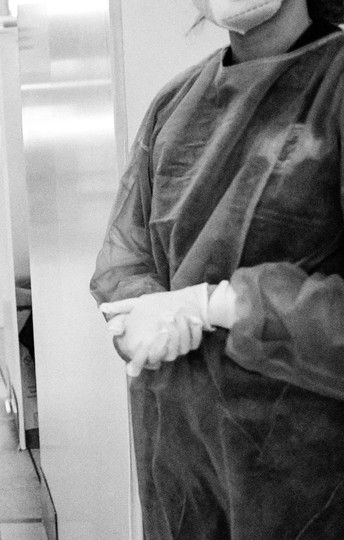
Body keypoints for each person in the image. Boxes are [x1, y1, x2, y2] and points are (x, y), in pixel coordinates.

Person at [90, 1, 344, 537]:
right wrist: (142, 309)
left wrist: (222, 305)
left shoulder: (335, 85)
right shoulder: (176, 102)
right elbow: (125, 250)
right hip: (178, 454)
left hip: (309, 468)